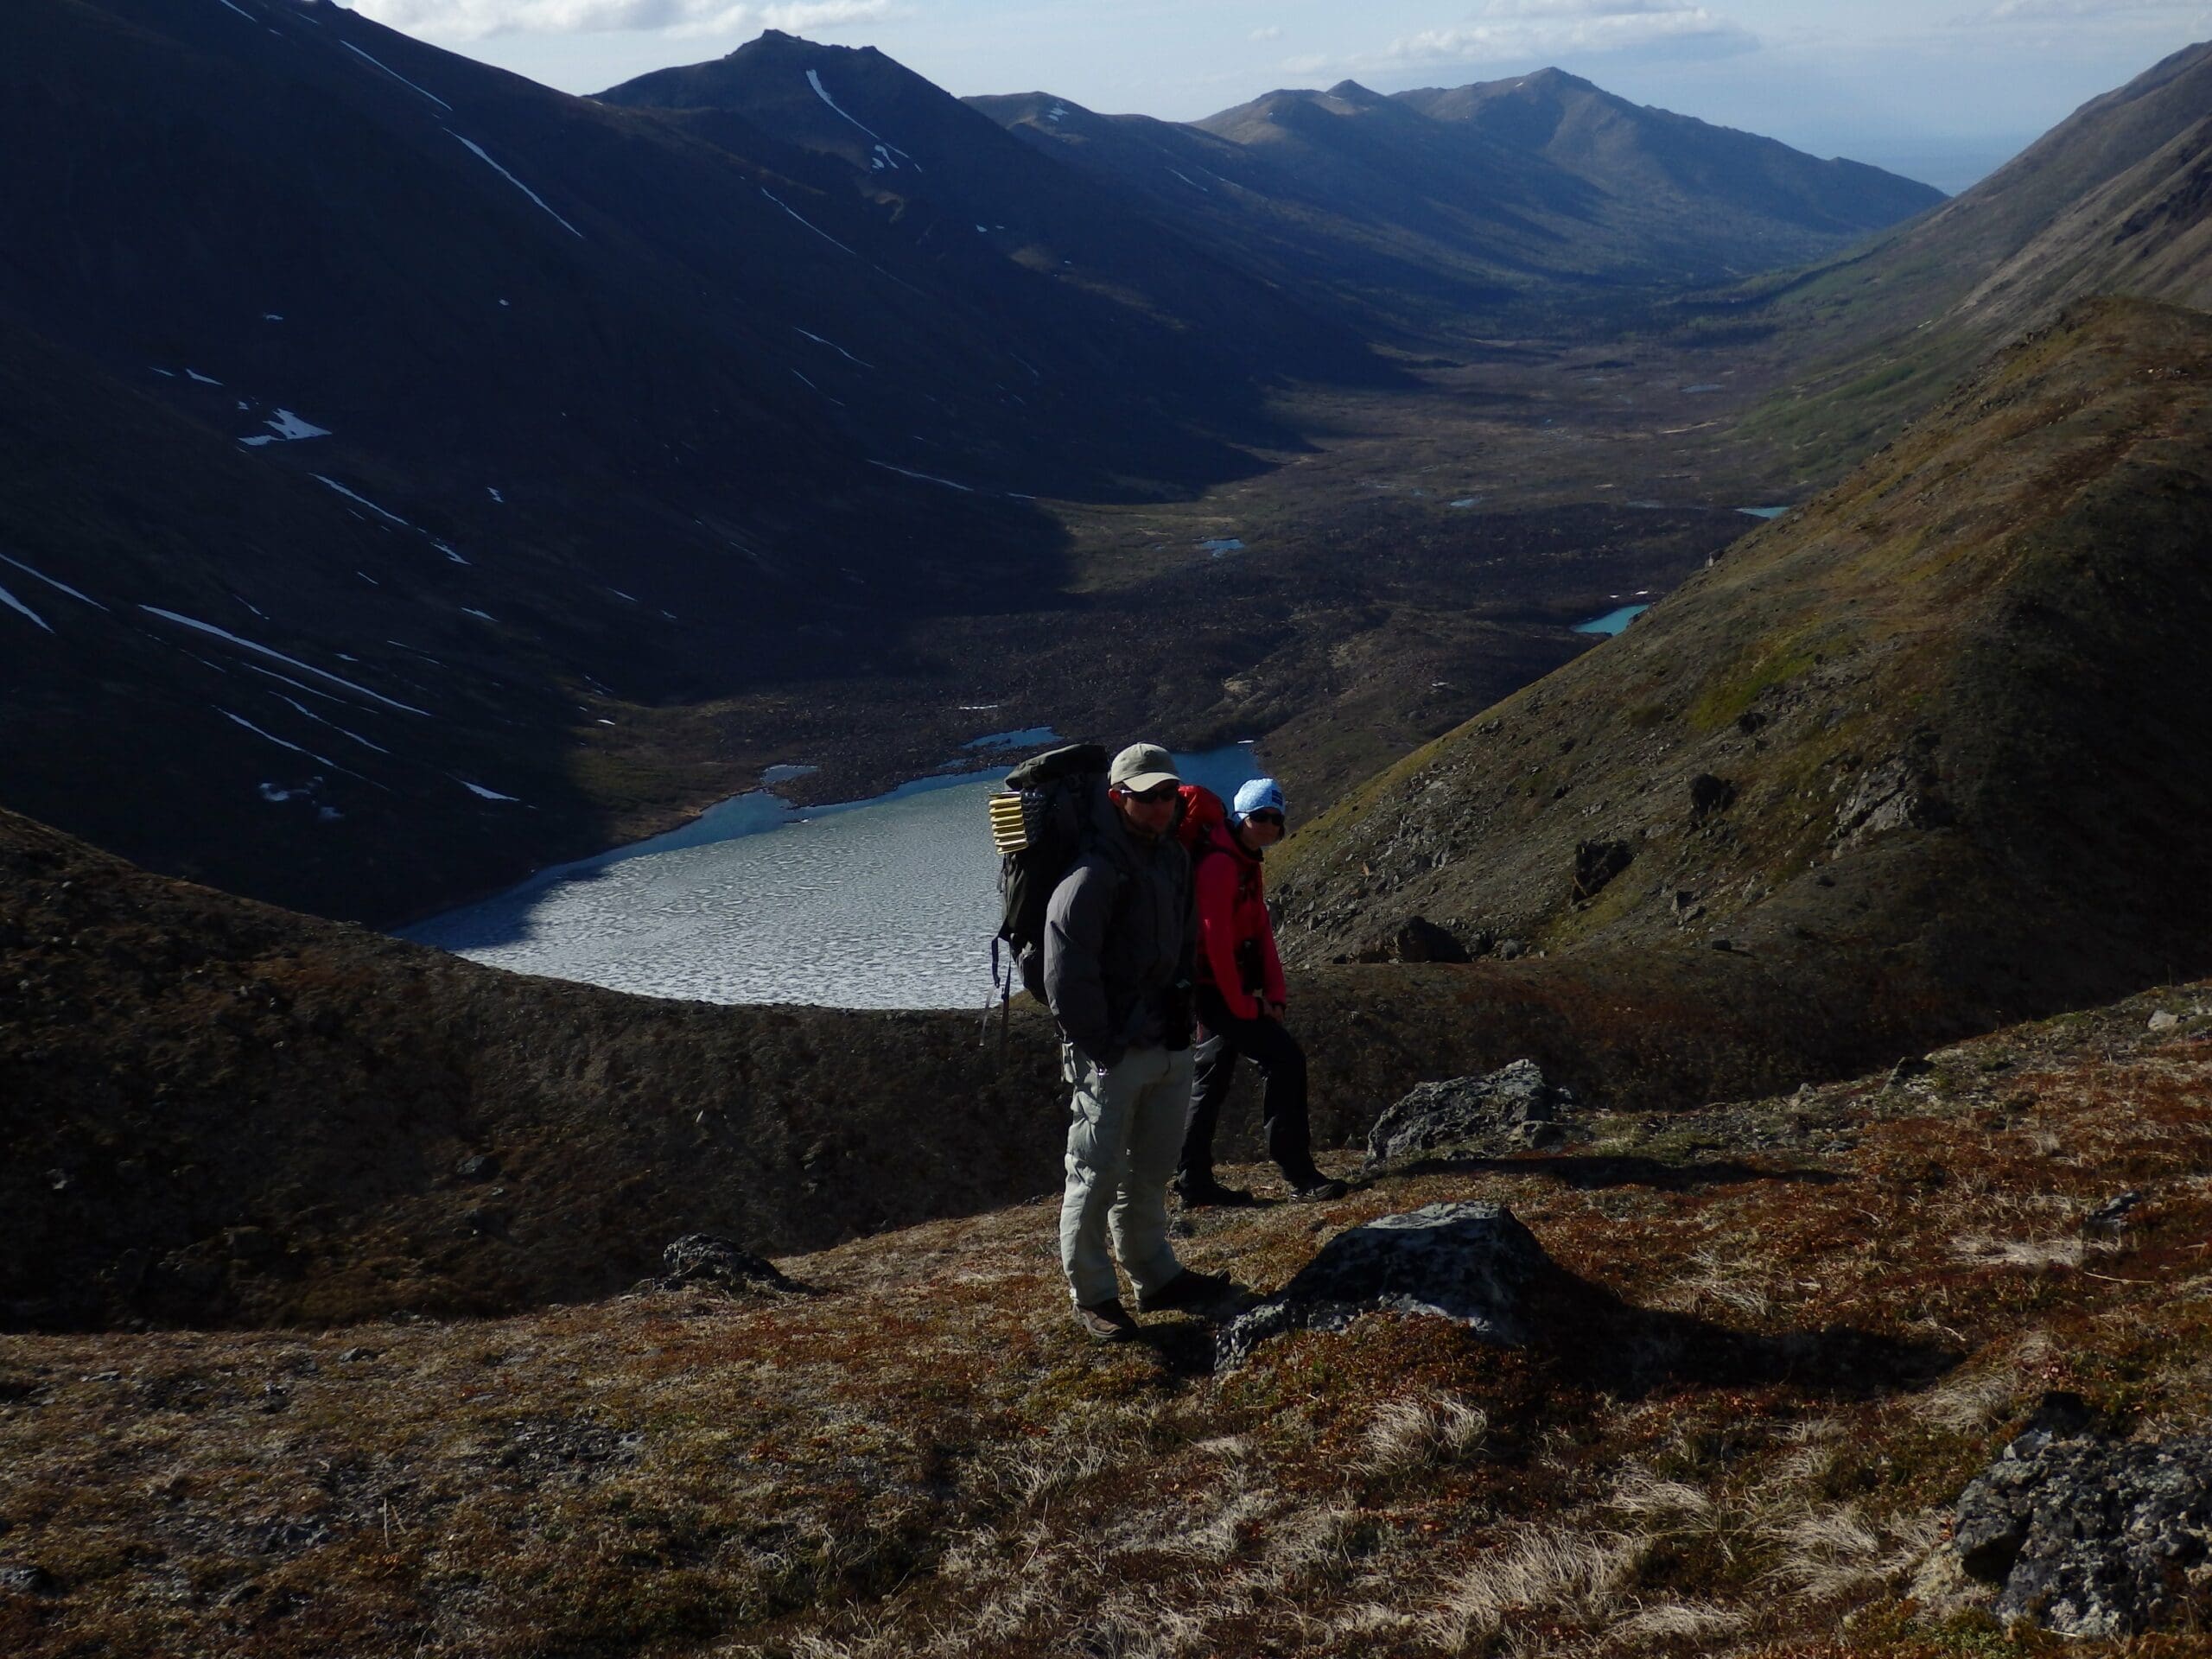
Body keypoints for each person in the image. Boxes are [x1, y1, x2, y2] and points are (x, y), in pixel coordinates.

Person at [1043, 741, 1232, 1339]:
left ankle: (1156, 1274)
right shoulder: (1094, 873)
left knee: (1150, 1170)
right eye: (1145, 796)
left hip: (1168, 1041)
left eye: (1167, 795)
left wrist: (1185, 1018)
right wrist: (1101, 1045)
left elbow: (1184, 943)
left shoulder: (1171, 860)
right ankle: (1094, 1295)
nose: (1158, 806)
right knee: (1095, 1174)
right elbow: (1064, 972)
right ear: (1116, 798)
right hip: (1114, 1053)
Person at [1175, 777, 1348, 1206]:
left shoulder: (1244, 860)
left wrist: (1275, 993)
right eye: (1261, 817)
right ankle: (1299, 1174)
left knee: (1209, 1082)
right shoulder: (1220, 865)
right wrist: (1245, 1005)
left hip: (1227, 989)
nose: (1270, 826)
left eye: (1276, 818)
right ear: (1242, 816)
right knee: (1285, 1060)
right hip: (1217, 989)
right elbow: (1214, 939)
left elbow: (1260, 932)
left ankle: (1192, 1181)